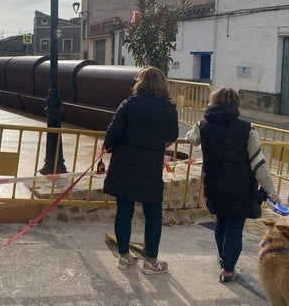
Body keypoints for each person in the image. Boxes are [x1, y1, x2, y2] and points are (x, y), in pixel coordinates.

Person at [185, 87, 281, 284]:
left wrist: (204, 117)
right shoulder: (247, 129)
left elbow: (190, 139)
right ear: (235, 104)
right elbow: (258, 163)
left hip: (214, 185)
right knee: (235, 229)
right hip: (241, 187)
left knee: (221, 223)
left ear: (213, 102)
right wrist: (271, 191)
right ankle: (228, 269)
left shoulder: (203, 125)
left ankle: (223, 259)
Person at [103, 66, 179, 274]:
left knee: (124, 211)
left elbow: (111, 137)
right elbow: (172, 135)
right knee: (153, 214)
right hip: (150, 168)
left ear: (140, 82)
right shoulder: (169, 109)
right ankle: (151, 261)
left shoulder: (128, 105)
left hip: (124, 166)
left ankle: (124, 257)